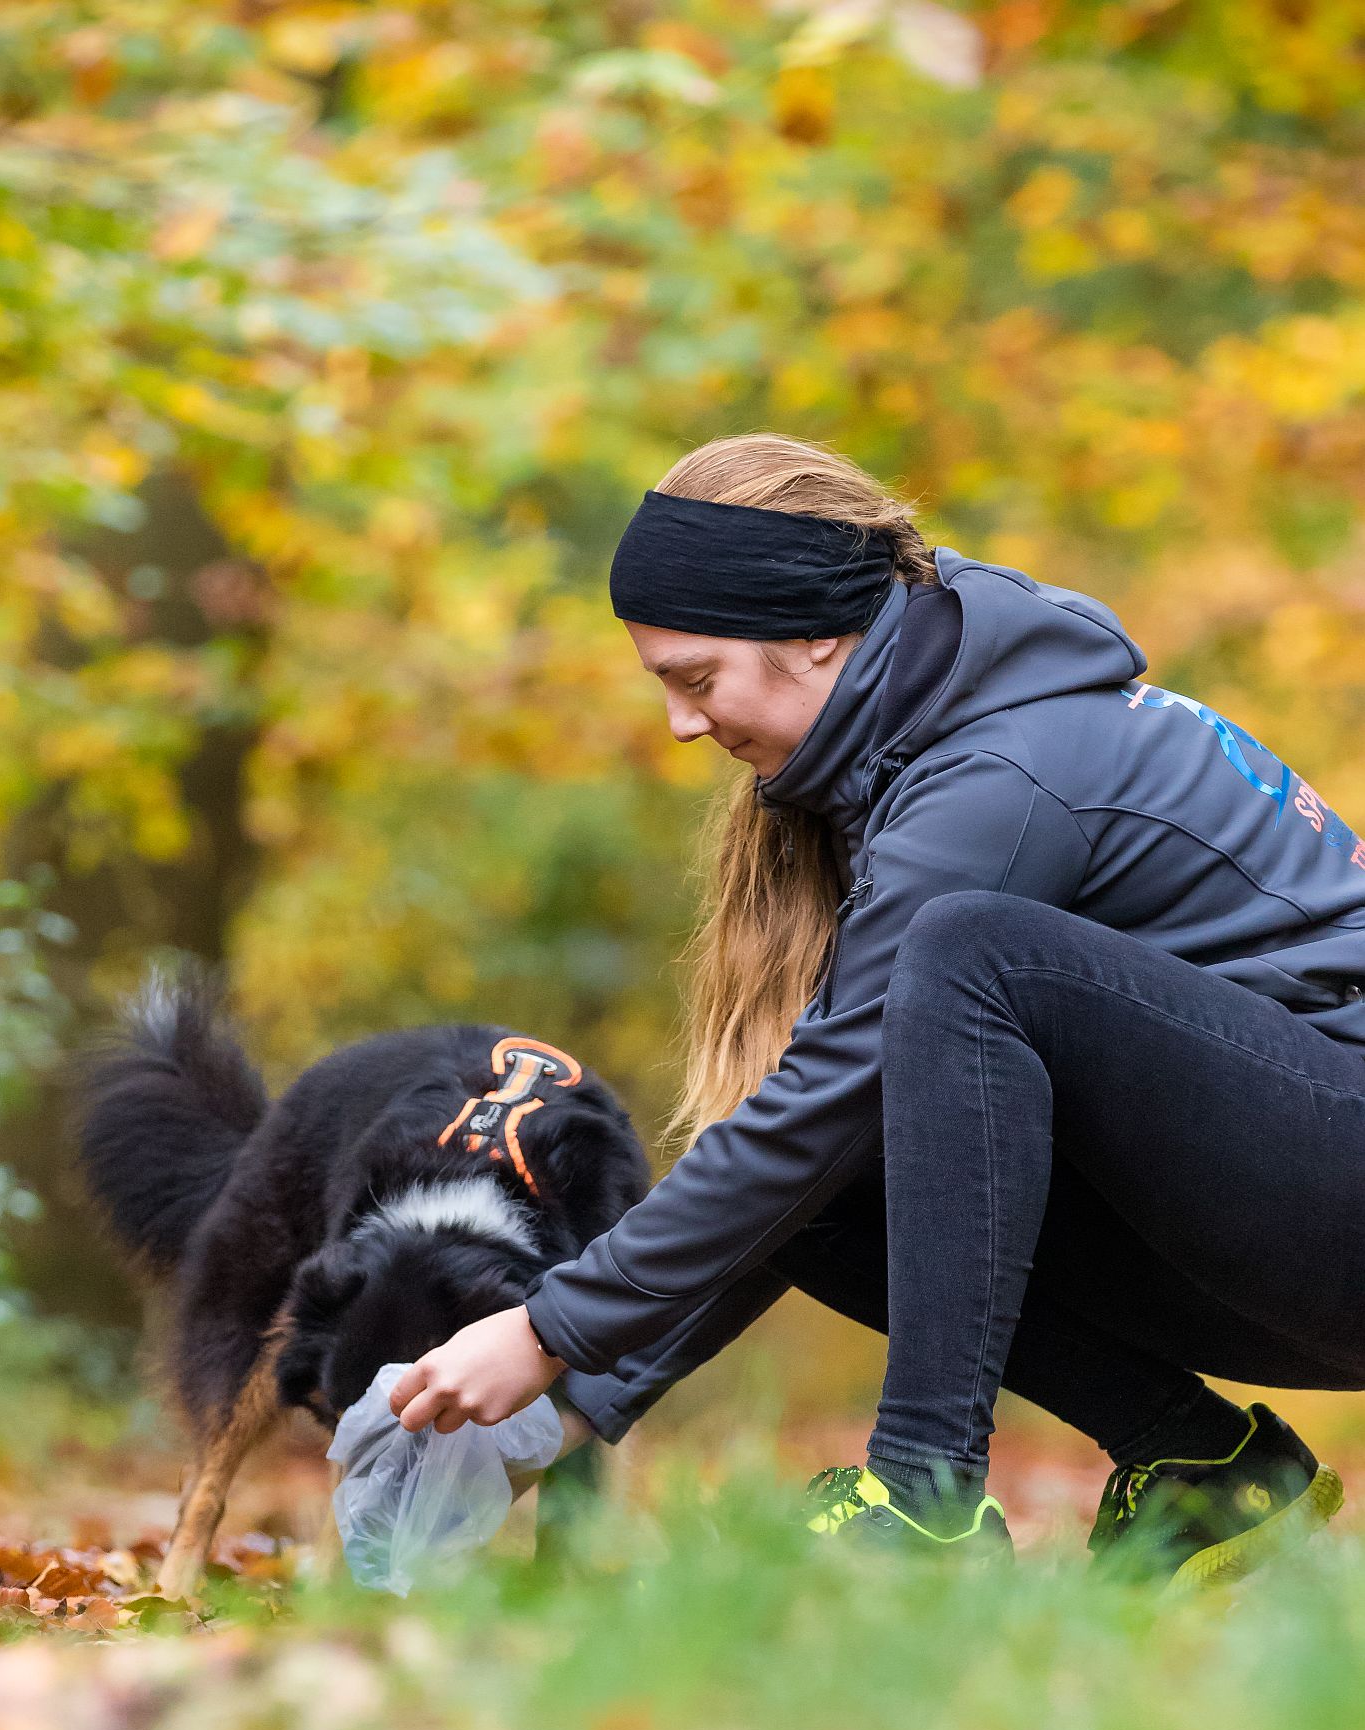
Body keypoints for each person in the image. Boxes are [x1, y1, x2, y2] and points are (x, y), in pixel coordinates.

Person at [389, 432, 1359, 1582]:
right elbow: (809, 1139)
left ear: (813, 634)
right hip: (1271, 1214)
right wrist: (572, 1405)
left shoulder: (1001, 775)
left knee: (964, 961)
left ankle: (923, 1494)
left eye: (695, 678)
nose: (682, 725)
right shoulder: (931, 744)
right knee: (819, 1168)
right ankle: (1206, 1466)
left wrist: (548, 1331)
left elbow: (830, 1092)